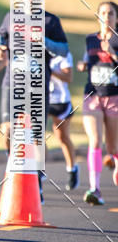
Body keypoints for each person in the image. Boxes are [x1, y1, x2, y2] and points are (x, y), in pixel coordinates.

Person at [0, 6, 68, 202]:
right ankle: (16, 167)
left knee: (35, 136)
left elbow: (63, 49)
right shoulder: (11, 16)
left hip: (37, 86)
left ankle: (37, 178)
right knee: (8, 130)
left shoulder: (50, 20)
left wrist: (44, 41)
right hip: (12, 84)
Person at [76, 0, 118, 206]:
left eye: (111, 13)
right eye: (103, 12)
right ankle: (95, 189)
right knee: (95, 141)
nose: (107, 16)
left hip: (114, 97)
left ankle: (115, 160)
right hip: (92, 96)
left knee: (112, 147)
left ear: (116, 18)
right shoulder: (90, 39)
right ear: (98, 16)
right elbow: (88, 58)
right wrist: (83, 64)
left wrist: (112, 53)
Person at [48, 50, 79, 191]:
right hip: (40, 99)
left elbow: (69, 77)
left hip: (60, 101)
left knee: (62, 137)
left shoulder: (64, 53)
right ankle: (38, 172)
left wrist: (49, 71)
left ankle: (72, 169)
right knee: (35, 135)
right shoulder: (34, 51)